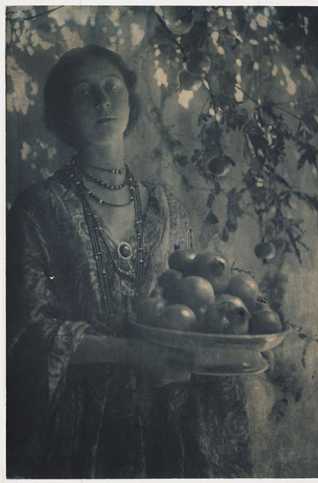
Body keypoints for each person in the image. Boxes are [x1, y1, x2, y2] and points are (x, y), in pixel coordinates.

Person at [7, 45, 252, 478]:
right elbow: (27, 332)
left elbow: (196, 311)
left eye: (111, 87)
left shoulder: (168, 208)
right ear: (64, 111)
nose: (102, 101)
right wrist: (131, 354)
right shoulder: (36, 209)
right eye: (85, 92)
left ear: (129, 99)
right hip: (82, 428)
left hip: (167, 417)